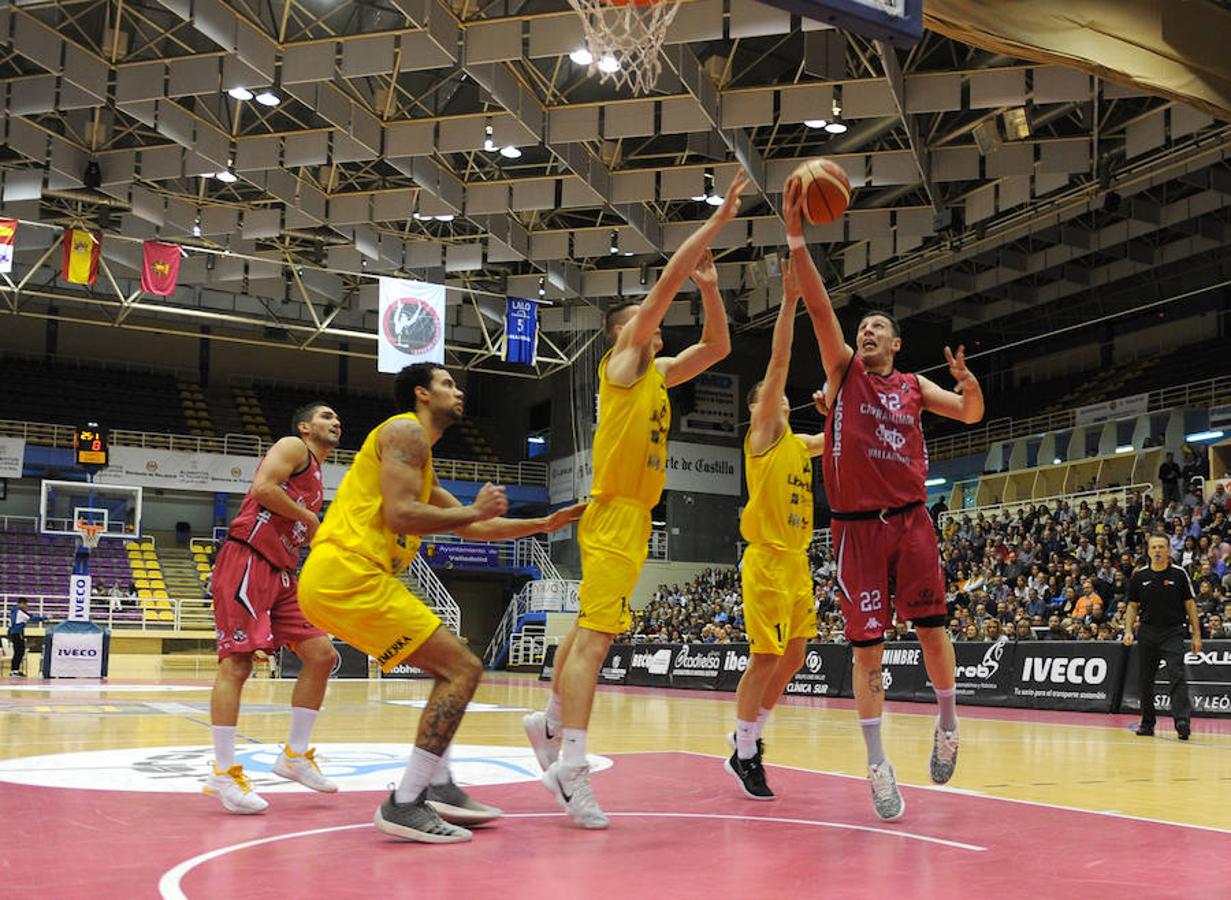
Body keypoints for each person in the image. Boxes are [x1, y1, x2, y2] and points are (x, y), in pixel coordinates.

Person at [524, 172, 748, 829]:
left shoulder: (659, 373)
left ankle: (548, 724)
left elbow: (719, 347)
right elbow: (661, 287)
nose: (650, 329)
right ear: (626, 334)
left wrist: (710, 289)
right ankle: (571, 765)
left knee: (589, 633)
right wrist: (716, 224)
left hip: (630, 515)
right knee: (595, 641)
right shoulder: (622, 368)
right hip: (615, 510)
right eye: (639, 325)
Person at [298, 364, 584, 843]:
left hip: (345, 579)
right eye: (447, 383)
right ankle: (406, 801)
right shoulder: (406, 431)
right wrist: (474, 509)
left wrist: (542, 525)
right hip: (348, 573)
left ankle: (439, 783)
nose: (458, 391)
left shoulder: (417, 457)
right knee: (463, 669)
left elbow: (469, 527)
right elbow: (400, 513)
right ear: (421, 394)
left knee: (450, 661)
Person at [786, 173, 984, 821]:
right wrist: (794, 237)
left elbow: (969, 415)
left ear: (895, 345)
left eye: (877, 328)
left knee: (932, 632)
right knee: (865, 651)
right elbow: (819, 308)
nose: (865, 332)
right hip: (853, 532)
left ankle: (947, 721)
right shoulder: (841, 376)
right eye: (862, 326)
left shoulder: (913, 386)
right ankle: (876, 765)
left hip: (910, 522)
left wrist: (968, 383)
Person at [205, 402, 344, 815]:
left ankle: (295, 756)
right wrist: (309, 518)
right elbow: (264, 489)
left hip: (283, 571)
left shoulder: (319, 477)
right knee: (238, 664)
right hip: (247, 558)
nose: (335, 421)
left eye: (337, 418)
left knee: (322, 655)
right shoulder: (292, 447)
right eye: (326, 416)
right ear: (305, 426)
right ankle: (223, 773)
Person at [725, 259, 825, 800]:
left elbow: (836, 441)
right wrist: (789, 301)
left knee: (796, 654)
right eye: (773, 396)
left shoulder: (798, 443)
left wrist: (836, 413)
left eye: (785, 398)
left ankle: (749, 739)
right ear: (759, 407)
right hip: (764, 557)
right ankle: (744, 752)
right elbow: (780, 360)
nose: (783, 399)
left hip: (797, 561)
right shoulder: (762, 434)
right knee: (765, 656)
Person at [1123, 534, 1202, 740]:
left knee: (1177, 675)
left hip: (1173, 631)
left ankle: (1182, 721)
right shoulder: (1139, 576)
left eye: (1161, 547)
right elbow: (1132, 606)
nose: (1157, 550)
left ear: (1168, 550)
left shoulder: (1179, 574)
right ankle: (1147, 723)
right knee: (1145, 681)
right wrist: (1128, 630)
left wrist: (1196, 635)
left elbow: (1190, 605)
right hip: (1148, 632)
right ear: (1148, 551)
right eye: (1154, 547)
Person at [7, 599, 47, 677]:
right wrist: (44, 618)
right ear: (21, 604)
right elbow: (32, 618)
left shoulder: (13, 611)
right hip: (18, 633)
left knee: (17, 652)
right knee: (20, 652)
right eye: (25, 604)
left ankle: (14, 670)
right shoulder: (20, 612)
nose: (26, 606)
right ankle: (14, 671)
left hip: (13, 633)